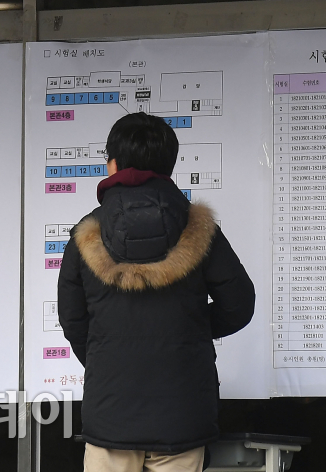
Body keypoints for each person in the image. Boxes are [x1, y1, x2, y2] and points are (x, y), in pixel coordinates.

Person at [58, 112, 255, 472]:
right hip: (182, 417)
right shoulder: (200, 229)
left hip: (111, 417)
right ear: (169, 164)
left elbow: (73, 321)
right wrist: (189, 332)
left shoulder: (86, 235)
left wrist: (107, 357)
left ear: (113, 164)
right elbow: (239, 304)